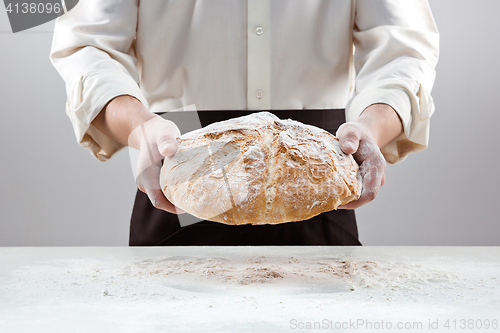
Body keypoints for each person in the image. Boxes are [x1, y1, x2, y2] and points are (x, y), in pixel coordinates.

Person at [50, 0, 439, 246]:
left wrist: (371, 125)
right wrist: (140, 126)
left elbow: (403, 49)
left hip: (318, 164)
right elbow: (87, 44)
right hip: (184, 160)